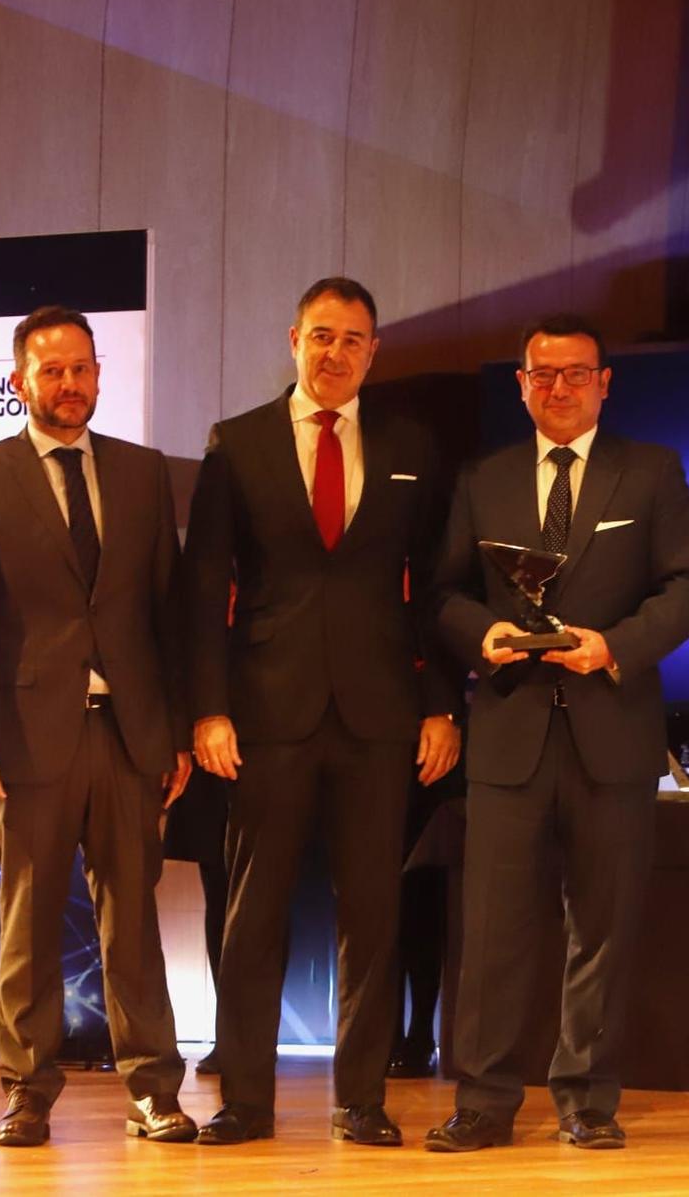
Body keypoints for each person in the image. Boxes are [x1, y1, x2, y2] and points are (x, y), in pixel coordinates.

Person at [424, 315, 689, 1153]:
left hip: (612, 732)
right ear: (521, 383)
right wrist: (480, 634)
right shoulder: (484, 477)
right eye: (542, 374)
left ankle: (587, 1097)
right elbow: (441, 592)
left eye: (575, 373)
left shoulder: (651, 472)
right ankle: (482, 1100)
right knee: (492, 932)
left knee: (605, 926)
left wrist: (613, 646)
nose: (558, 387)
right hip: (509, 734)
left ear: (604, 381)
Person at [181, 276, 460, 1147]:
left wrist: (442, 706)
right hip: (266, 713)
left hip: (380, 716)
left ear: (374, 351)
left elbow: (438, 593)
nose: (336, 351)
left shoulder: (414, 445)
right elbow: (202, 592)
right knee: (253, 912)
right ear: (293, 338)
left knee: (372, 914)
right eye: (322, 335)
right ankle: (247, 1102)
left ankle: (362, 1100)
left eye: (354, 339)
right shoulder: (237, 443)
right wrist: (208, 710)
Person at [0, 306, 196, 1148]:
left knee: (134, 926)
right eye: (53, 370)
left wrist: (179, 730)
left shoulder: (140, 471)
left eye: (82, 368)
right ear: (20, 381)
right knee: (30, 923)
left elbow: (169, 610)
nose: (71, 383)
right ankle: (26, 1092)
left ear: (97, 374)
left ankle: (154, 1090)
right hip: (24, 738)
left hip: (128, 736)